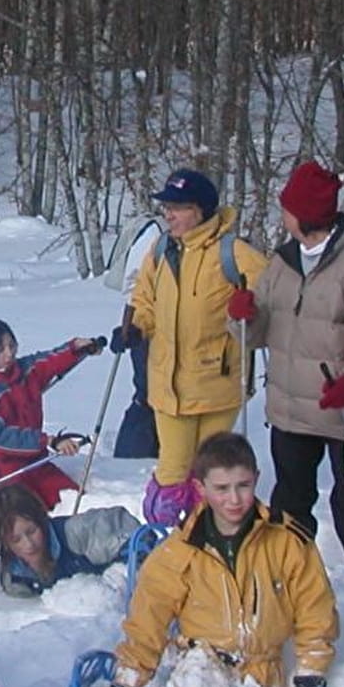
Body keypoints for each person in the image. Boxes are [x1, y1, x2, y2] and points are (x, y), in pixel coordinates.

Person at [228, 161, 344, 606]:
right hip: (290, 411)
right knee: (290, 505)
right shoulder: (282, 263)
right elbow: (255, 334)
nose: (282, 216)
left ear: (304, 214)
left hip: (343, 412)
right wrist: (242, 315)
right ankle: (287, 588)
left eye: (287, 208)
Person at [111, 432, 337, 687]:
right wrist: (132, 672)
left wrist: (311, 669)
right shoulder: (182, 549)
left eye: (243, 485)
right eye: (221, 488)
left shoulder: (287, 540)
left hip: (263, 672)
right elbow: (149, 614)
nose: (234, 499)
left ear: (256, 477)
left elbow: (314, 606)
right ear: (201, 487)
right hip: (202, 665)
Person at [115, 168, 266, 525]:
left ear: (200, 210)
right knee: (173, 468)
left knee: (214, 470)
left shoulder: (234, 253)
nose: (168, 215)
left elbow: (273, 298)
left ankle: (212, 536)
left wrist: (250, 309)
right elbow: (145, 299)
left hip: (218, 384)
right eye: (166, 207)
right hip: (169, 384)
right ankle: (168, 537)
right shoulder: (162, 248)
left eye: (177, 207)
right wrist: (135, 328)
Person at [0, 317, 103, 509]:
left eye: (12, 345)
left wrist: (76, 348)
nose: (9, 353)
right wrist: (49, 441)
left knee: (75, 502)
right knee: (31, 514)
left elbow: (49, 360)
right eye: (1, 349)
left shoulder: (24, 371)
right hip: (4, 471)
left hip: (37, 462)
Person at [0, 483, 141, 597]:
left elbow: (134, 534)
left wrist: (122, 574)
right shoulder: (16, 580)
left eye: (32, 531)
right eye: (16, 539)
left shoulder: (76, 533)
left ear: (42, 521)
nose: (29, 544)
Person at [107, 214, 164, 459]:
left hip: (149, 323)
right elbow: (136, 287)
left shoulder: (155, 235)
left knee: (148, 393)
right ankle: (137, 455)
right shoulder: (152, 237)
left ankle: (139, 453)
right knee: (147, 393)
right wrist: (135, 325)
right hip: (145, 323)